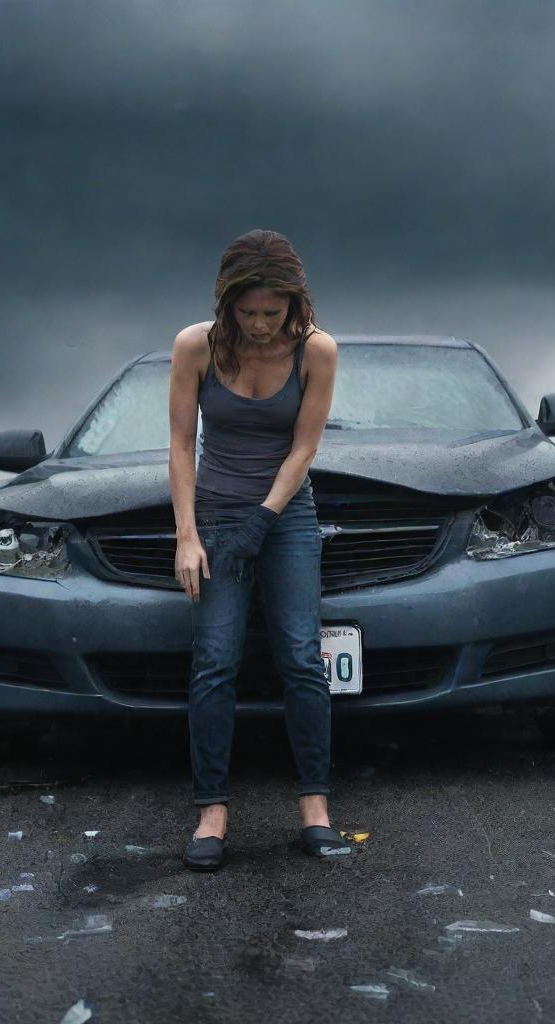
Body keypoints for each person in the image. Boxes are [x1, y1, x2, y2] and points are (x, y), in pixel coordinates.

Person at [167, 228, 349, 871]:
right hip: (215, 514)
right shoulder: (195, 346)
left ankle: (316, 811)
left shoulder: (316, 352)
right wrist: (188, 536)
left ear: (295, 304)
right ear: (227, 303)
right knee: (215, 660)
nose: (262, 325)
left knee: (301, 656)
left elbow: (305, 448)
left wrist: (264, 522)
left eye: (273, 312)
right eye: (249, 312)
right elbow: (181, 447)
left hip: (287, 515)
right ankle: (212, 814)